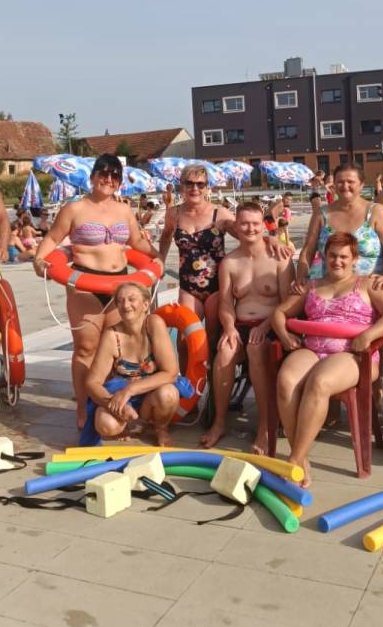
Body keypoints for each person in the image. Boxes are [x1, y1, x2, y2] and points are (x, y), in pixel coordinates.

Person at [271, 232, 383, 487]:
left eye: (344, 256)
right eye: (332, 255)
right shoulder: (311, 285)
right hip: (313, 348)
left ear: (355, 258)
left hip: (354, 355)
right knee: (286, 380)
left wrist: (368, 335)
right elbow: (279, 312)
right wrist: (285, 336)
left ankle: (294, 461)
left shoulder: (368, 284)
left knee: (320, 382)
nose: (337, 261)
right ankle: (301, 457)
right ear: (324, 257)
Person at [34, 153, 157, 428]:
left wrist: (156, 257)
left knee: (114, 348)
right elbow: (53, 237)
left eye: (114, 175)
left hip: (119, 285)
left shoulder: (124, 210)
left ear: (119, 181)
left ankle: (108, 404)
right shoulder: (74, 209)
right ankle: (82, 407)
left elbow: (137, 241)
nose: (108, 179)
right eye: (103, 173)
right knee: (86, 348)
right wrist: (39, 259)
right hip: (85, 285)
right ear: (92, 177)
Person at [158, 164, 288, 348]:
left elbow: (248, 234)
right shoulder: (174, 214)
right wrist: (161, 261)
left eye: (200, 184)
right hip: (187, 287)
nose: (195, 188)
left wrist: (271, 239)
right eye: (189, 183)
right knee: (184, 341)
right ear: (182, 185)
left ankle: (210, 368)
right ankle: (187, 369)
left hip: (216, 287)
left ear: (207, 187)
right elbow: (165, 237)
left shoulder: (219, 214)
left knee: (212, 339)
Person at [200, 202, 294, 450]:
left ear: (263, 225)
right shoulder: (230, 262)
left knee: (255, 348)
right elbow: (225, 303)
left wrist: (265, 326)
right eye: (244, 224)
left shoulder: (279, 258)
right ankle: (219, 422)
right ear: (236, 226)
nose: (250, 229)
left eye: (255, 224)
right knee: (224, 353)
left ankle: (264, 426)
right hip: (241, 324)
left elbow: (287, 303)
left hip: (271, 325)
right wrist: (229, 327)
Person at [84, 282, 181, 445]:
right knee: (105, 424)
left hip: (151, 395)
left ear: (145, 305)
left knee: (169, 394)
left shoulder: (154, 324)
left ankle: (160, 427)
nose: (126, 305)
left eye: (131, 299)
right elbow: (92, 383)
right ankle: (123, 426)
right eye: (120, 301)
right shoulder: (111, 335)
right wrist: (114, 404)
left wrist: (129, 390)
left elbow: (171, 373)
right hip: (122, 398)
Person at [295, 163, 383, 292]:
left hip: (369, 290)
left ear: (361, 185)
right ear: (334, 185)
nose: (345, 186)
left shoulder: (376, 212)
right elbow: (308, 251)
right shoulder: (321, 214)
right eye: (340, 182)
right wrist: (301, 277)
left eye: (350, 182)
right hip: (328, 290)